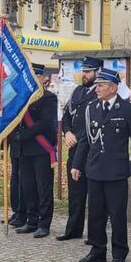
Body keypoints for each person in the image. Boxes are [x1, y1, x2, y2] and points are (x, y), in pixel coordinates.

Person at [71, 68, 131, 262]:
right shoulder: (91, 108)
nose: (97, 89)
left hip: (116, 170)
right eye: (97, 85)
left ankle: (119, 252)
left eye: (101, 85)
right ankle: (97, 250)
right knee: (95, 213)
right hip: (94, 168)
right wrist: (77, 164)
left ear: (113, 87)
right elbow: (86, 140)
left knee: (117, 214)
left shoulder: (127, 109)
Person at [55, 56, 100, 241]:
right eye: (84, 71)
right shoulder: (77, 92)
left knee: (94, 195)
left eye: (88, 71)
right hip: (75, 148)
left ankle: (94, 233)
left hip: (92, 150)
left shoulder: (100, 92)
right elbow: (66, 116)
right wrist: (67, 132)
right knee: (75, 192)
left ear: (97, 72)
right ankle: (73, 229)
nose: (84, 74)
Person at [13, 64, 59, 238]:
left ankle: (44, 223)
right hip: (25, 150)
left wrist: (24, 135)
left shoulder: (48, 98)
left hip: (41, 148)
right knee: (28, 187)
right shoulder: (23, 97)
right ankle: (31, 221)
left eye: (36, 76)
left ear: (42, 78)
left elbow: (45, 122)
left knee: (43, 188)